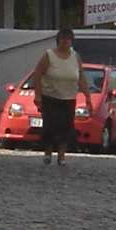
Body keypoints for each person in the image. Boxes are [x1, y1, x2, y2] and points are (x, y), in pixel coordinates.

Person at [29, 27, 85, 167]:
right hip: (50, 97)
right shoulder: (49, 55)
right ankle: (48, 152)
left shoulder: (75, 56)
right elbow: (37, 74)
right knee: (50, 126)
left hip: (69, 97)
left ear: (72, 41)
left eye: (68, 39)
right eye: (63, 39)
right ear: (58, 41)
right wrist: (38, 95)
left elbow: (81, 77)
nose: (65, 42)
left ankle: (61, 155)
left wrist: (88, 96)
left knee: (66, 128)